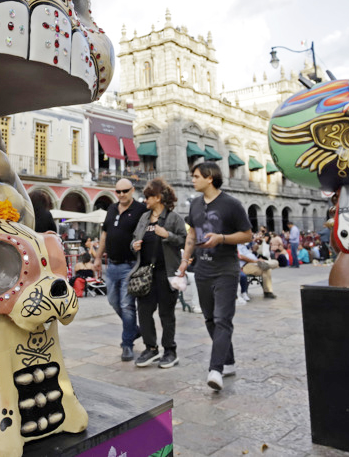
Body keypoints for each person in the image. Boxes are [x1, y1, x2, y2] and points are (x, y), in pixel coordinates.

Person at [178, 162, 253, 392]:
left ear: (210, 178)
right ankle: (228, 361)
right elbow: (192, 233)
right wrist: (184, 261)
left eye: (196, 176)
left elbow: (247, 234)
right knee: (210, 319)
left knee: (222, 319)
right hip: (202, 270)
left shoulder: (231, 204)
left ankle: (215, 369)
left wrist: (221, 238)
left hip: (226, 270)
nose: (193, 179)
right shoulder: (196, 204)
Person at [130, 178, 186, 369]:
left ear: (159, 197)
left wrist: (167, 235)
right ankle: (151, 348)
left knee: (166, 314)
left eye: (148, 197)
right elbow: (134, 239)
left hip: (166, 273)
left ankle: (170, 350)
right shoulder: (144, 218)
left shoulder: (174, 218)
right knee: (144, 312)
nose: (145, 200)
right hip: (145, 273)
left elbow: (186, 242)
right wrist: (134, 245)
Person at [93, 178, 147, 362]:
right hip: (112, 265)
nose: (122, 194)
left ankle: (127, 345)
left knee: (126, 305)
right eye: (118, 192)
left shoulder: (141, 210)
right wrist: (98, 258)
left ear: (132, 190)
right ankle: (134, 330)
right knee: (113, 301)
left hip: (129, 265)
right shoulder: (111, 208)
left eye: (125, 191)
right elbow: (104, 235)